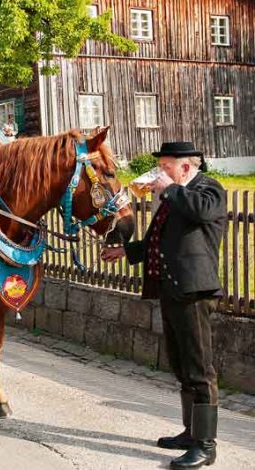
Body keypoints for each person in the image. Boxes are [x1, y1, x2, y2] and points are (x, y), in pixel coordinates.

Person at [101, 142, 226, 470]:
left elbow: (201, 212)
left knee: (200, 370)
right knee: (181, 366)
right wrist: (126, 252)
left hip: (194, 292)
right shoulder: (175, 196)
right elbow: (159, 240)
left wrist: (170, 189)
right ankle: (190, 432)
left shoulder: (207, 189)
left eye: (166, 166)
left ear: (185, 167)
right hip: (171, 290)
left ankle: (205, 445)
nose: (160, 173)